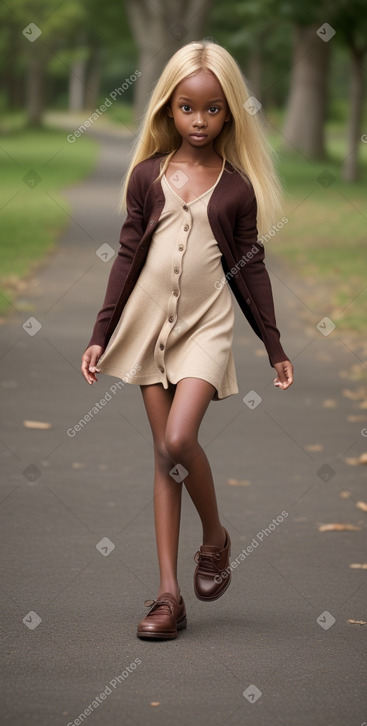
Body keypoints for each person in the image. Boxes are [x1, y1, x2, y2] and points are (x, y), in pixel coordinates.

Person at [81, 40, 294, 640]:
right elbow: (128, 255)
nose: (199, 121)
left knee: (180, 440)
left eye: (213, 109)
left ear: (230, 113)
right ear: (167, 110)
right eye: (187, 108)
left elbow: (250, 270)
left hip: (207, 327)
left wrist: (274, 345)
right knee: (163, 456)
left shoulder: (237, 189)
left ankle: (216, 537)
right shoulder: (147, 177)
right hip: (148, 329)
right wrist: (101, 334)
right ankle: (168, 597)